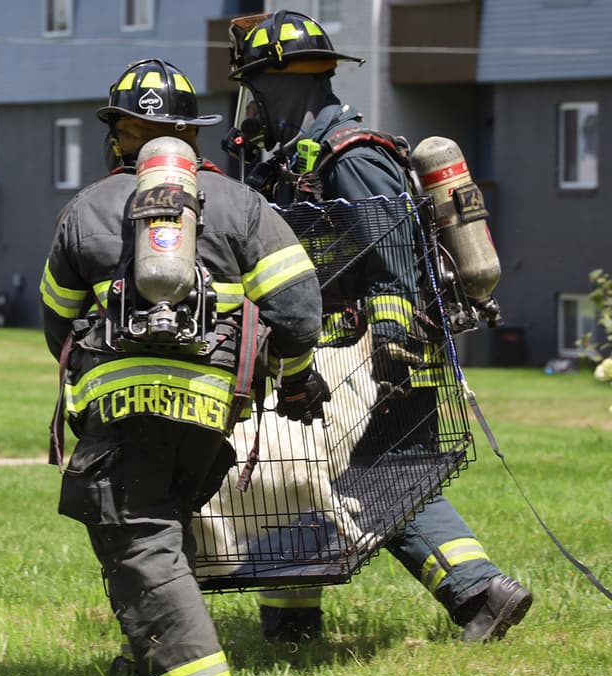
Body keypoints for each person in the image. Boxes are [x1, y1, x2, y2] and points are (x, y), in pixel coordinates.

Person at [225, 9, 532, 644]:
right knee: (310, 474)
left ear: (286, 84)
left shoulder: (353, 157)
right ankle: (292, 621)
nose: (251, 104)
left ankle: (479, 592)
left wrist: (391, 347)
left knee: (359, 477)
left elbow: (393, 260)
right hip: (329, 349)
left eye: (257, 88)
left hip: (371, 354)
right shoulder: (294, 161)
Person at [39, 58, 326, 676]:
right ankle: (141, 661)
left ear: (118, 134)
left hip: (120, 412)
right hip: (208, 416)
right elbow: (300, 312)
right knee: (157, 530)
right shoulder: (241, 204)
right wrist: (299, 378)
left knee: (139, 538)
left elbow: (58, 325)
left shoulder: (86, 209)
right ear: (192, 134)